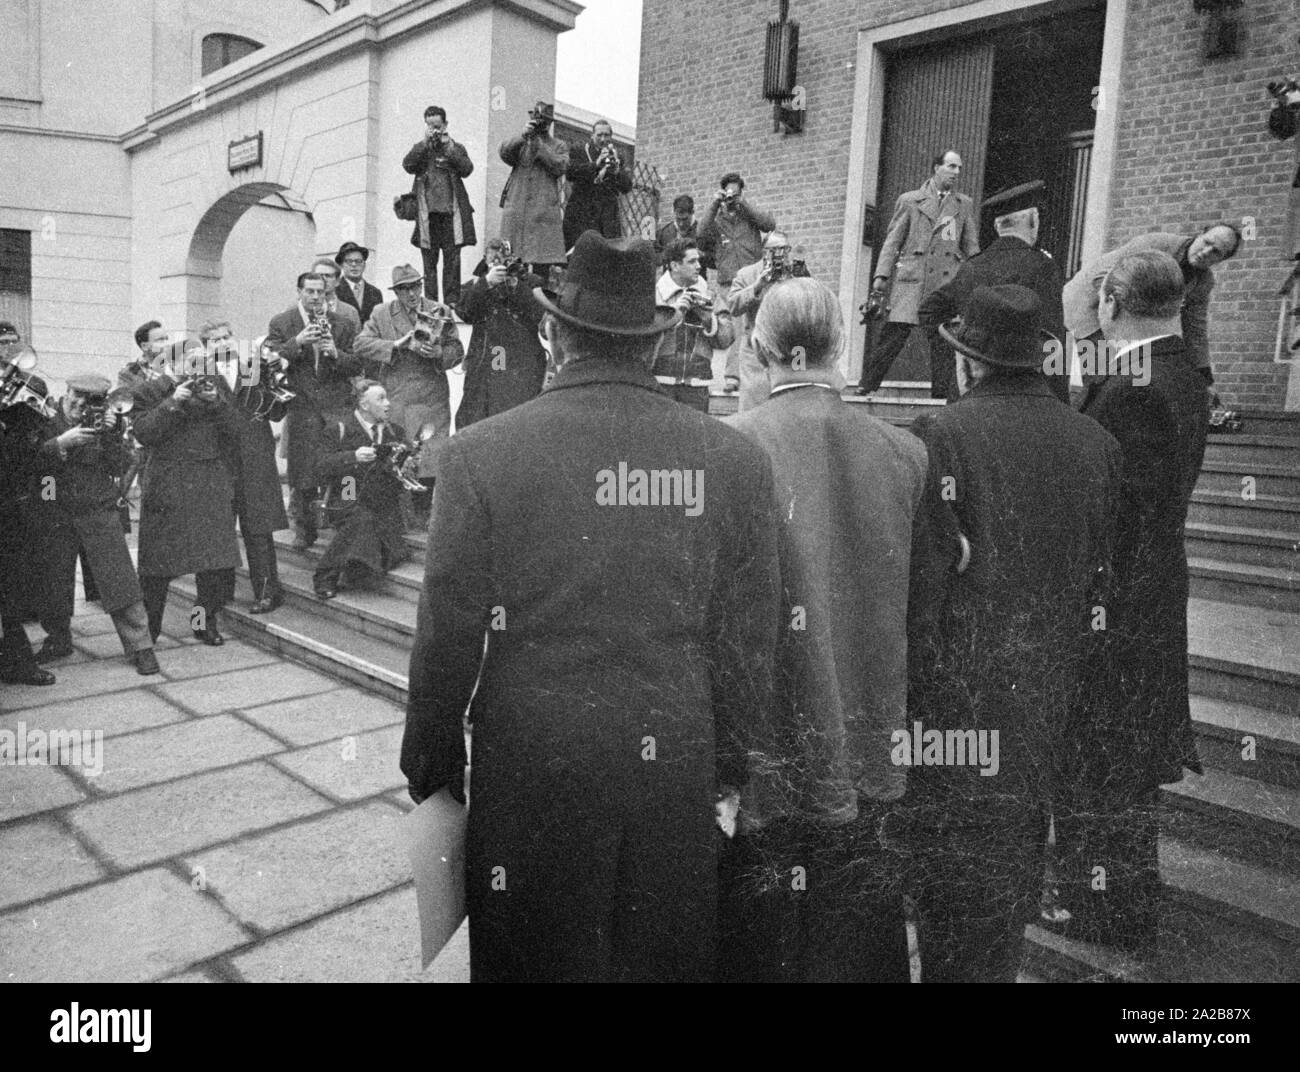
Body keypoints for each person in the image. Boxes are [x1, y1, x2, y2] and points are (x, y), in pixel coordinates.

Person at [400, 232, 781, 982]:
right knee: (660, 956)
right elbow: (749, 637)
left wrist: (433, 764)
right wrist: (731, 763)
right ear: (656, 342)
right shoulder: (734, 458)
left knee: (532, 955)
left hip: (532, 756)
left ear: (552, 332)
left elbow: (447, 631)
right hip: (672, 749)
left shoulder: (479, 453)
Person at [906, 285, 1120, 983]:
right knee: (1003, 896)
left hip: (958, 709)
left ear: (969, 363)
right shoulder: (1097, 443)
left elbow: (926, 589)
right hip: (1046, 703)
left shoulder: (943, 436)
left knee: (950, 897)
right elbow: (1103, 581)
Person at [720, 277, 928, 983]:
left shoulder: (733, 446)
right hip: (867, 734)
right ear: (839, 347)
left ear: (760, 348)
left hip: (770, 742)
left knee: (765, 940)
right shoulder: (904, 452)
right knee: (856, 936)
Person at [1057, 250, 1210, 955]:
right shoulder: (1178, 371)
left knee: (1104, 765)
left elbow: (1120, 514)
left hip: (1120, 608)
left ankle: (1104, 914)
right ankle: (1111, 901)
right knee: (1119, 770)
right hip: (1148, 599)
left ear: (1114, 305)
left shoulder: (1138, 387)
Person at [28, 374, 159, 675]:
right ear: (67, 390)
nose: (80, 403)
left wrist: (112, 434)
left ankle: (141, 646)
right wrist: (61, 443)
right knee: (54, 581)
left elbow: (119, 466)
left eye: (91, 399)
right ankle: (58, 639)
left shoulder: (108, 423)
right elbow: (29, 462)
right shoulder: (43, 417)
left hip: (96, 509)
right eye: (76, 395)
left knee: (119, 579)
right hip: (54, 511)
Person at [130, 338, 241, 646]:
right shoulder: (149, 391)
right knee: (157, 570)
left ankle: (201, 623)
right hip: (168, 486)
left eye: (204, 361)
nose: (200, 368)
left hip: (208, 484)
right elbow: (145, 432)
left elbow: (235, 430)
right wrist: (172, 403)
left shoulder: (214, 387)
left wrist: (216, 402)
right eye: (193, 362)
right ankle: (149, 633)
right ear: (174, 364)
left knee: (213, 566)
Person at [919, 179, 1068, 402]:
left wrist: (958, 360)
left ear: (998, 227)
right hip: (1020, 398)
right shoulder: (1042, 266)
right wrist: (1057, 400)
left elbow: (929, 310)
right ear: (1033, 221)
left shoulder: (971, 267)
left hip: (968, 394)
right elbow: (1052, 339)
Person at [858, 149, 980, 399]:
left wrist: (977, 277)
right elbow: (893, 241)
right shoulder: (910, 201)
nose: (956, 172)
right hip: (912, 280)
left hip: (944, 283)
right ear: (936, 168)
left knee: (944, 342)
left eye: (959, 168)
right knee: (893, 336)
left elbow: (971, 247)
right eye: (951, 166)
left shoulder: (962, 205)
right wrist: (881, 277)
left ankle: (940, 396)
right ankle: (867, 385)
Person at [1062, 222, 1241, 385]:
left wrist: (1203, 372)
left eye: (1215, 252)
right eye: (1206, 242)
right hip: (1090, 306)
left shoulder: (1203, 282)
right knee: (1098, 374)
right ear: (1200, 234)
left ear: (1221, 260)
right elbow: (1103, 279)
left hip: (1121, 320)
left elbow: (1195, 329)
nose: (1205, 252)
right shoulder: (1156, 244)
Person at [266, 271, 362, 551]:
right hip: (304, 409)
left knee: (345, 470)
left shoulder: (342, 324)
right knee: (303, 475)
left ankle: (345, 527)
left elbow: (358, 365)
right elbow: (269, 361)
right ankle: (304, 530)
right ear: (299, 292)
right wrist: (297, 342)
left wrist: (335, 353)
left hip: (337, 409)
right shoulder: (282, 323)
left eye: (321, 292)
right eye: (310, 291)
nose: (316, 297)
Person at [354, 264, 463, 509]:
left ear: (421, 285)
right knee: (399, 453)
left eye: (415, 286)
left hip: (431, 394)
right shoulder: (381, 313)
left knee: (431, 454)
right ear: (395, 292)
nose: (411, 294)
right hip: (397, 394)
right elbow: (360, 345)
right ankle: (401, 516)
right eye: (404, 289)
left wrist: (438, 352)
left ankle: (424, 514)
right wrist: (395, 346)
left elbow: (457, 350)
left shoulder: (440, 310)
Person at [199, 320, 288, 614]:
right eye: (215, 340)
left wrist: (278, 383)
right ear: (206, 347)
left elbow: (277, 413)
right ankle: (221, 593)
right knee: (218, 529)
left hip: (254, 459)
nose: (223, 343)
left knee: (258, 528)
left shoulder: (255, 368)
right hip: (218, 462)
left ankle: (267, 593)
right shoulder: (199, 375)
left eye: (227, 337)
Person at [312, 380, 413, 600]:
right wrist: (352, 457)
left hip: (384, 503)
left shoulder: (394, 432)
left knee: (388, 546)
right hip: (348, 496)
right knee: (361, 519)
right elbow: (319, 466)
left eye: (387, 398)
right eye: (381, 398)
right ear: (364, 405)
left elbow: (402, 470)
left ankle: (355, 566)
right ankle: (325, 575)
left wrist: (407, 463)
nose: (388, 404)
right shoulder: (339, 428)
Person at [1, 345, 56, 687]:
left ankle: (17, 663)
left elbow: (32, 454)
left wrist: (23, 412)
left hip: (11, 509)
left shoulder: (20, 397)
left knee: (10, 590)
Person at [455, 238, 548, 429]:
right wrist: (486, 283)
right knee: (476, 422)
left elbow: (541, 316)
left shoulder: (530, 282)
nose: (499, 260)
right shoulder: (475, 284)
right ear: (485, 258)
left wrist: (516, 285)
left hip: (520, 367)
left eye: (503, 255)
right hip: (485, 366)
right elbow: (465, 313)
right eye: (493, 255)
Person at [700, 172, 776, 392]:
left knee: (752, 326)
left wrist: (744, 204)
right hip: (728, 281)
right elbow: (701, 233)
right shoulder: (717, 221)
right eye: (729, 193)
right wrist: (715, 204)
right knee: (734, 328)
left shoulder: (750, 217)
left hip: (752, 280)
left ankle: (751, 375)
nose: (732, 198)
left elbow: (769, 223)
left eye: (736, 193)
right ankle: (732, 377)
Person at [402, 105, 476, 307]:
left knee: (452, 261)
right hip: (428, 217)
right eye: (429, 125)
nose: (434, 129)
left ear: (445, 124)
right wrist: (426, 143)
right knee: (429, 263)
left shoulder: (455, 147)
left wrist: (448, 146)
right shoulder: (422, 148)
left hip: (451, 216)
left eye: (437, 125)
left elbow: (467, 169)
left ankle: (452, 302)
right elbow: (408, 165)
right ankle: (431, 302)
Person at [727, 231, 807, 411]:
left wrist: (801, 279)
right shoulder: (747, 274)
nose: (781, 254)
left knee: (789, 409)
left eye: (784, 249)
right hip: (756, 353)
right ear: (764, 252)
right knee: (754, 409)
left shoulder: (795, 273)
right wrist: (758, 285)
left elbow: (809, 307)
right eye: (775, 249)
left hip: (789, 352)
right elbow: (733, 306)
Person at [652, 237, 733, 412]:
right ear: (674, 266)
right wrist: (673, 314)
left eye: (698, 261)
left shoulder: (709, 295)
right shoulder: (654, 296)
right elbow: (643, 337)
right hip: (660, 383)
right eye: (692, 261)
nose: (699, 266)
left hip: (697, 387)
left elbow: (727, 339)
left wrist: (708, 319)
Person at [499, 102, 569, 270]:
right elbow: (504, 153)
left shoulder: (558, 145)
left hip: (542, 211)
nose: (539, 123)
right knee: (512, 260)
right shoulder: (522, 141)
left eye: (544, 120)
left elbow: (560, 166)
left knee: (542, 262)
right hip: (518, 207)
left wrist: (540, 146)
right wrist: (523, 136)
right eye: (536, 119)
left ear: (550, 123)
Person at [562, 118, 632, 250]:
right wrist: (596, 164)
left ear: (611, 137)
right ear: (592, 136)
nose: (603, 139)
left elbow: (627, 187)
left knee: (606, 255)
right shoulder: (580, 151)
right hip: (582, 212)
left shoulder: (617, 157)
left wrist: (617, 171)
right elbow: (570, 173)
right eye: (599, 135)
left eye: (606, 135)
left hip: (607, 216)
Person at [655, 194, 711, 271]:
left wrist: (702, 255)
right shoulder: (664, 232)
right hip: (671, 281)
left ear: (692, 212)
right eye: (678, 219)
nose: (681, 223)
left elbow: (715, 260)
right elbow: (655, 258)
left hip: (696, 279)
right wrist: (666, 255)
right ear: (673, 212)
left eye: (685, 219)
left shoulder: (702, 232)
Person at [334, 241, 384, 326]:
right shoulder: (334, 290)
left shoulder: (375, 293)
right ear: (341, 265)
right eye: (349, 261)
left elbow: (379, 323)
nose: (354, 265)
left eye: (358, 261)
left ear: (364, 265)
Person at [309, 256, 361, 333]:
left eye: (328, 276)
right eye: (318, 276)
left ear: (337, 281)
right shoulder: (298, 308)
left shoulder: (350, 312)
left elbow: (357, 343)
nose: (323, 279)